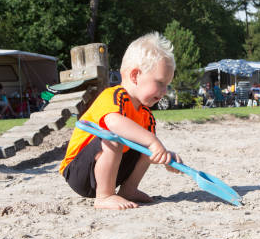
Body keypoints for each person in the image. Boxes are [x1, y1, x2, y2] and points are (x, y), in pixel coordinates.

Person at [59, 32, 182, 210]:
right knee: (115, 136)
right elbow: (113, 123)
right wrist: (153, 141)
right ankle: (104, 196)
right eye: (160, 83)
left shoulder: (146, 115)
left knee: (147, 146)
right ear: (135, 76)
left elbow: (148, 150)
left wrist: (164, 156)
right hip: (79, 171)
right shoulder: (114, 96)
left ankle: (128, 190)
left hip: (111, 171)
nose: (164, 91)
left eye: (167, 85)